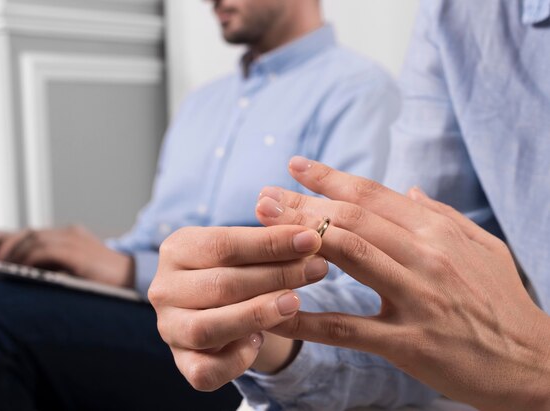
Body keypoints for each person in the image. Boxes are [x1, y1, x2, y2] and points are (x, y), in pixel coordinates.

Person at [0, 0, 401, 410]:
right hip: (150, 303)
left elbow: (334, 271)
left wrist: (125, 268)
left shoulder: (359, 92)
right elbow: (155, 234)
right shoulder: (202, 104)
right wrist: (83, 258)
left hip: (231, 339)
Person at [148, 0, 550, 410]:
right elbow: (417, 316)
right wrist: (261, 325)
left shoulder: (360, 88)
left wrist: (538, 363)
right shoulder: (461, 16)